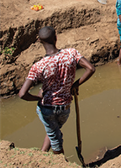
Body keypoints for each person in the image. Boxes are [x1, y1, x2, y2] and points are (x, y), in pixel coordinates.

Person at [18, 26, 95, 155]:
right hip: (65, 107)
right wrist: (75, 85)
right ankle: (42, 153)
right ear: (56, 38)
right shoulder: (71, 53)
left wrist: (38, 98)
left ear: (39, 41)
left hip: (47, 108)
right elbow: (91, 69)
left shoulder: (38, 66)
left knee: (56, 139)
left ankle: (59, 162)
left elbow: (22, 94)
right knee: (54, 130)